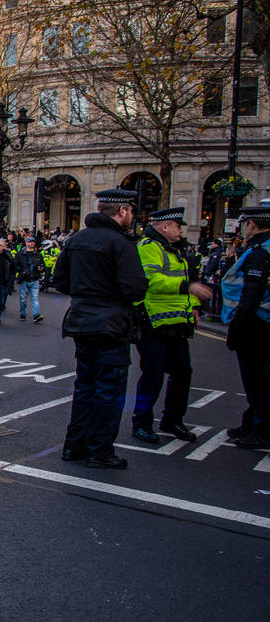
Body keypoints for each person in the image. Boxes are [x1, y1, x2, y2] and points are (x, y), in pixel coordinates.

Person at [52, 189, 149, 469]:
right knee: (109, 389)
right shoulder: (121, 243)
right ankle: (99, 450)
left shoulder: (76, 239)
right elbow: (134, 288)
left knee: (84, 385)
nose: (132, 215)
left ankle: (74, 445)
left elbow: (60, 280)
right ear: (121, 211)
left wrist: (85, 293)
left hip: (81, 320)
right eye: (130, 211)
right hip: (111, 324)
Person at [130, 208, 213, 444]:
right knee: (152, 376)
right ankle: (142, 422)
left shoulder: (176, 248)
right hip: (153, 322)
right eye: (178, 226)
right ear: (165, 227)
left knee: (183, 373)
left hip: (177, 323)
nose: (181, 231)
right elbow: (153, 280)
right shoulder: (149, 247)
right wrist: (188, 287)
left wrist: (194, 306)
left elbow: (189, 281)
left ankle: (173, 419)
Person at [221, 206, 270, 449]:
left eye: (244, 223)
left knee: (256, 378)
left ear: (252, 224)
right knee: (259, 377)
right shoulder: (260, 248)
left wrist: (236, 327)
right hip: (261, 321)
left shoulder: (260, 252)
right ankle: (251, 422)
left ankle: (261, 429)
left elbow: (251, 294)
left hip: (257, 323)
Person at [15, 237, 46, 322]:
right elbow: (15, 266)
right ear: (26, 243)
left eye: (33, 242)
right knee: (23, 299)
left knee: (35, 298)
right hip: (24, 279)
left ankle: (36, 314)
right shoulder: (20, 254)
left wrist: (41, 268)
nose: (32, 243)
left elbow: (43, 266)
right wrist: (22, 271)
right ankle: (22, 314)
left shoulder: (38, 255)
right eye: (30, 242)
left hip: (35, 279)